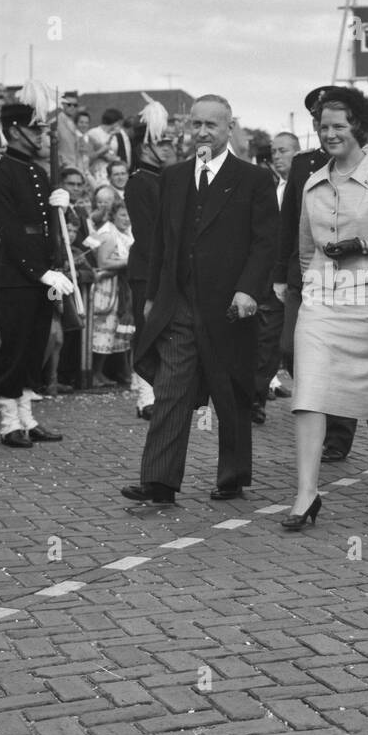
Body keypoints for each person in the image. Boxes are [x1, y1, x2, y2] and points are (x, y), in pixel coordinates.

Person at [123, 94, 277, 505]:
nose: (203, 132)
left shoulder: (254, 179)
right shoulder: (171, 178)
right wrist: (154, 296)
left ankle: (232, 476)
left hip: (229, 306)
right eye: (196, 124)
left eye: (212, 124)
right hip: (179, 303)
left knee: (231, 392)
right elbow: (159, 243)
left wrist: (248, 290)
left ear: (229, 128)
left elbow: (266, 243)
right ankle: (158, 481)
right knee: (171, 390)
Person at [283, 87, 368, 531]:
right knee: (309, 393)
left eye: (338, 126)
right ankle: (307, 493)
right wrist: (311, 289)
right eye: (323, 127)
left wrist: (364, 244)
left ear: (358, 127)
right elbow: (306, 250)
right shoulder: (311, 182)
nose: (329, 134)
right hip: (321, 303)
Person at [0, 90, 72, 447]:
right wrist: (39, 271)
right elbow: (11, 231)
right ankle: (8, 422)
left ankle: (27, 417)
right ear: (15, 131)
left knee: (35, 347)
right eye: (35, 130)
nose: (41, 136)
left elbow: (47, 227)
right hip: (17, 275)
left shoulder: (37, 170)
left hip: (41, 271)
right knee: (16, 348)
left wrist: (63, 207)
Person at [272, 101, 359, 464]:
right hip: (302, 274)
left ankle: (338, 434)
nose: (327, 132)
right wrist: (279, 274)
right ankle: (321, 413)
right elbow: (288, 219)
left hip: (344, 277)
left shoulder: (363, 165)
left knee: (338, 355)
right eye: (320, 123)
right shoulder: (302, 165)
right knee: (291, 350)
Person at [122, 102, 167, 419]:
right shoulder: (139, 180)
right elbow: (148, 233)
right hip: (147, 268)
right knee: (145, 330)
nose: (168, 147)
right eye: (161, 141)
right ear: (145, 146)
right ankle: (145, 395)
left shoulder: (162, 178)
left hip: (162, 267)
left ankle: (159, 389)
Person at [252, 131, 297, 424]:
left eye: (282, 150)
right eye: (273, 151)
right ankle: (254, 400)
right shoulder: (269, 188)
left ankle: (320, 407)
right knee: (265, 343)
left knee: (292, 348)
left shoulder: (306, 188)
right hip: (271, 280)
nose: (276, 157)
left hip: (299, 280)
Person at [89, 201, 133, 385]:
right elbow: (103, 263)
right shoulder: (108, 234)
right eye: (123, 215)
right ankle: (95, 374)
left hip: (119, 285)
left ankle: (112, 372)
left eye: (129, 215)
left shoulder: (126, 233)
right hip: (106, 286)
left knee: (115, 330)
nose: (127, 219)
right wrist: (128, 262)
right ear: (114, 215)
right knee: (103, 329)